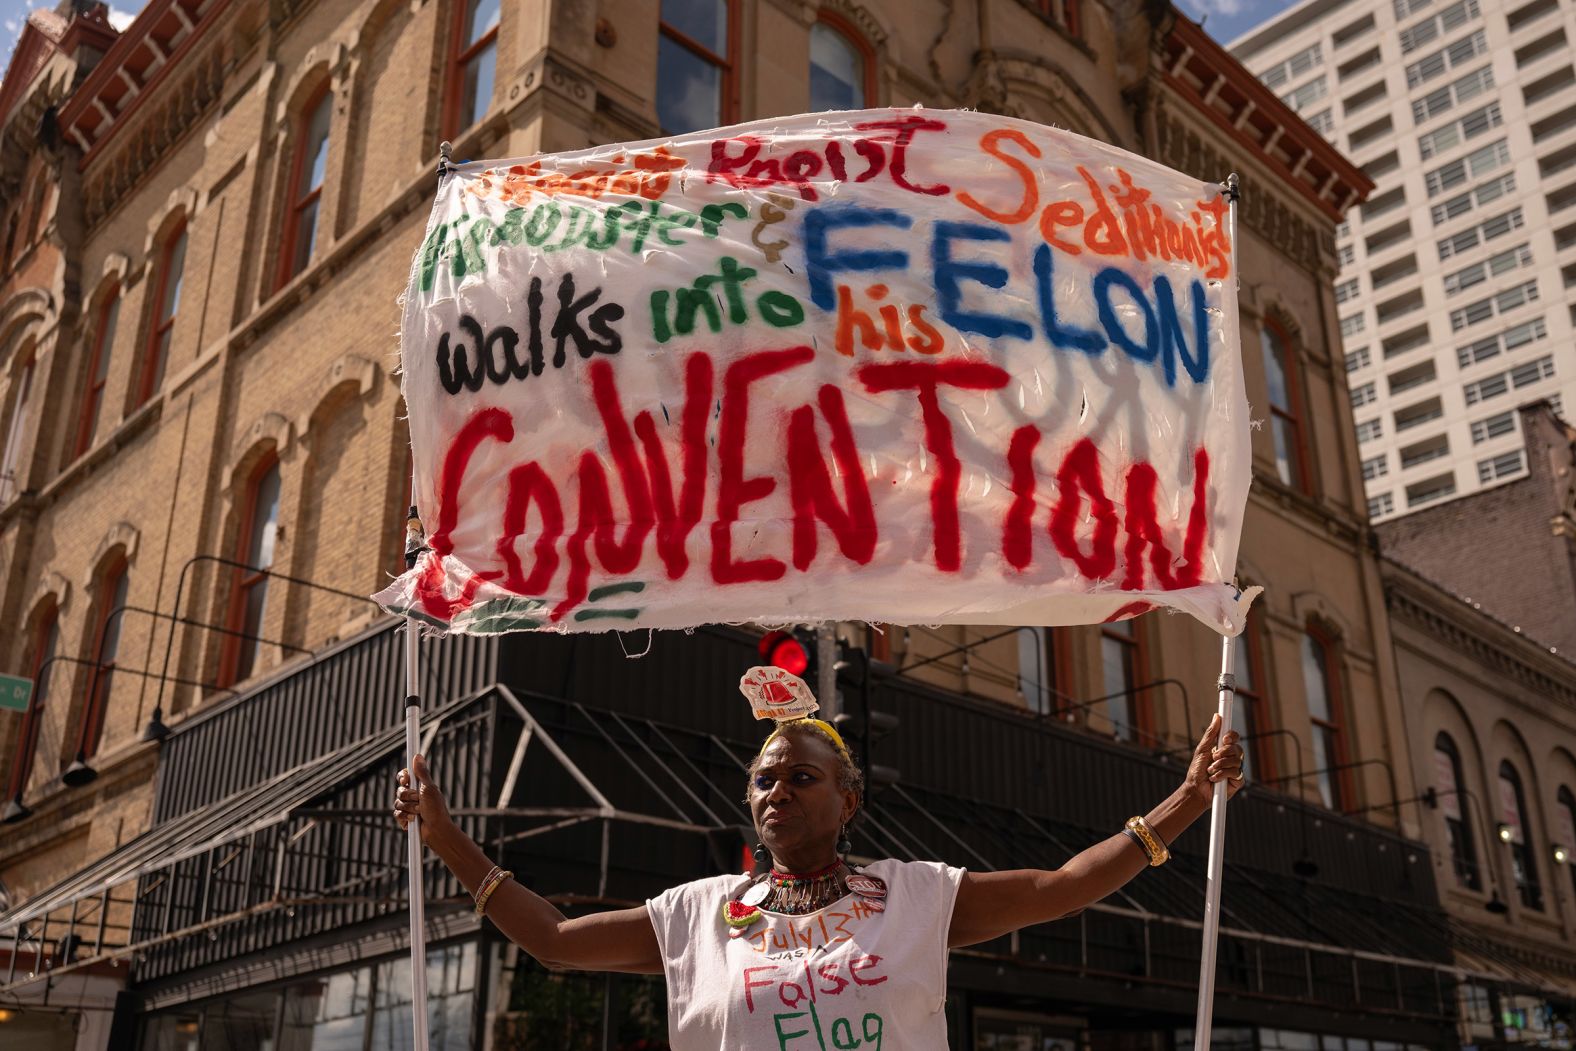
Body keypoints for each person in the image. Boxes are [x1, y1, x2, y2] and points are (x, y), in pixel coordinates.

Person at [394, 705, 1243, 1047]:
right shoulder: (698, 915)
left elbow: (1061, 885)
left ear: (849, 800)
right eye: (764, 778)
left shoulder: (915, 898)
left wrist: (1185, 800)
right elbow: (551, 942)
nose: (777, 791)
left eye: (801, 776)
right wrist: (443, 834)